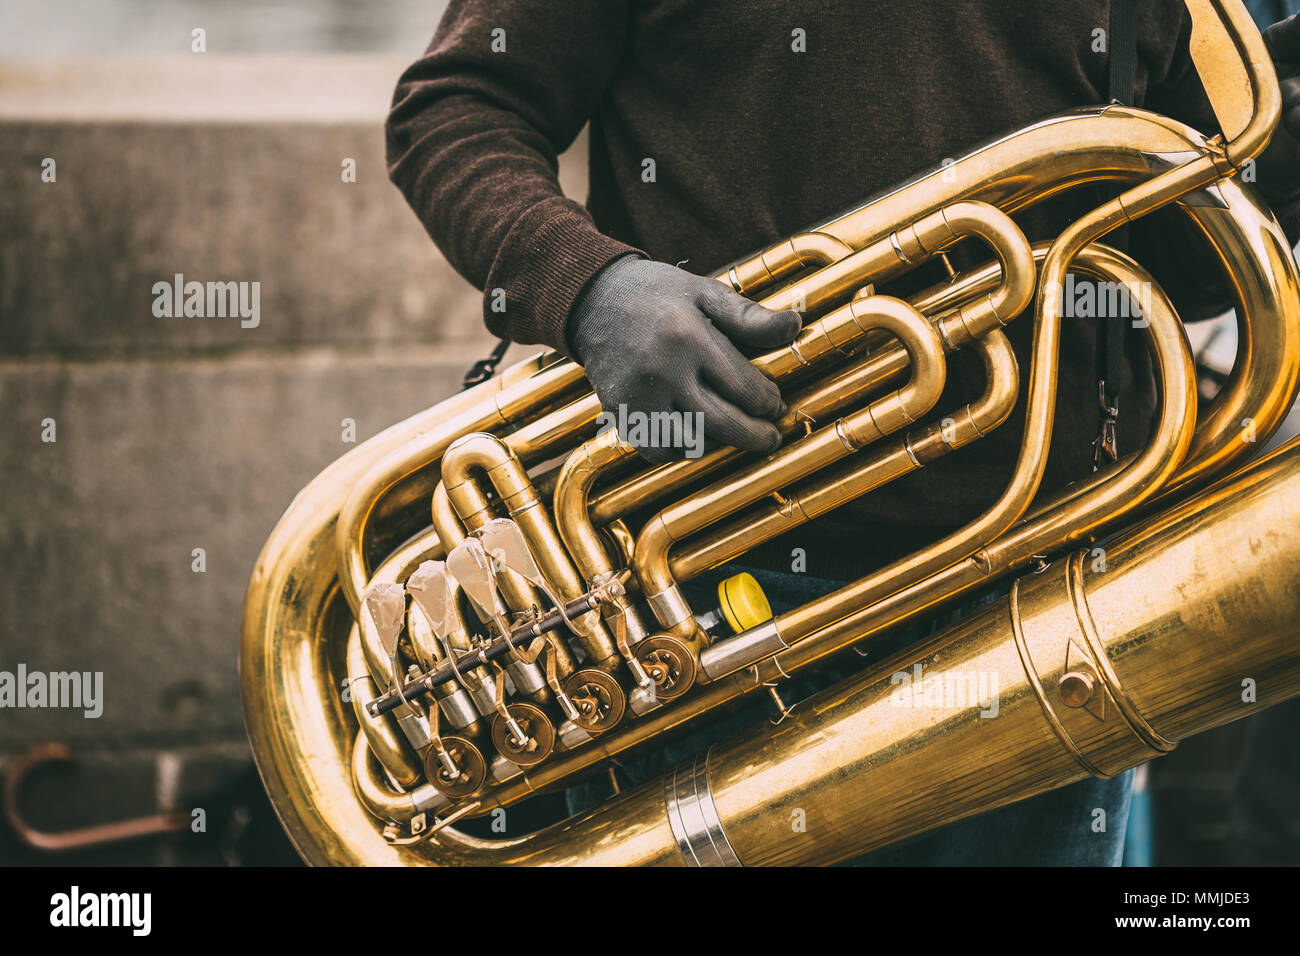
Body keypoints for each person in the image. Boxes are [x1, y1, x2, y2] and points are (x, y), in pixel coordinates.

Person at [386, 2, 1300, 864]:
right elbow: (459, 108)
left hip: (1043, 607)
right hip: (712, 600)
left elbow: (1174, 258)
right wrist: (589, 289)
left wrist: (1284, 147)